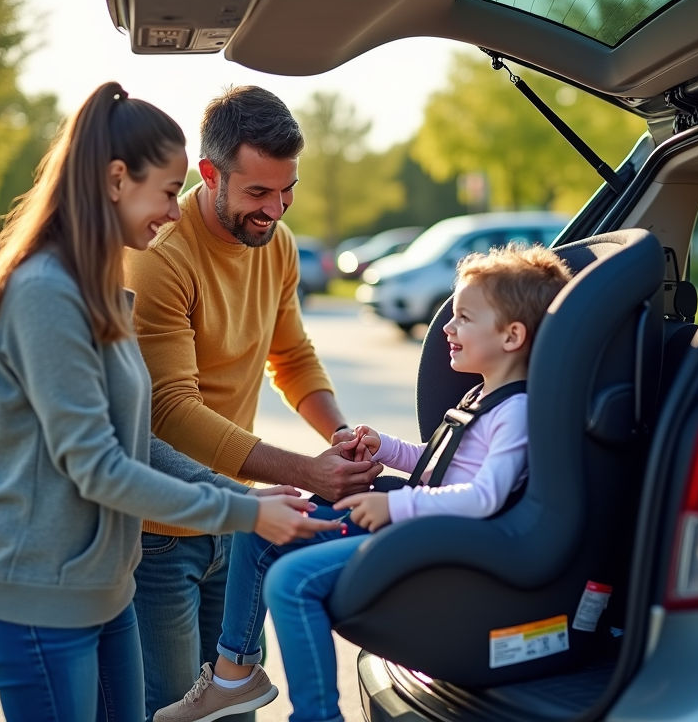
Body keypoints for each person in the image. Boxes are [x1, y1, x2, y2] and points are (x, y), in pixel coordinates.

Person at [0, 82, 340, 722]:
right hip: (38, 595)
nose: (173, 212)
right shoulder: (50, 292)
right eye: (168, 192)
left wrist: (246, 499)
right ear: (114, 180)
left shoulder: (99, 286)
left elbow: (139, 439)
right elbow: (103, 464)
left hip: (97, 588)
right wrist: (243, 506)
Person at [154, 244, 574, 722]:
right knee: (260, 526)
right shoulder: (482, 395)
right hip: (417, 524)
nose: (447, 329)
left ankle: (317, 716)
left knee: (292, 581)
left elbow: (484, 498)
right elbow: (440, 466)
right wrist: (386, 448)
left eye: (463, 318)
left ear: (512, 335)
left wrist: (397, 509)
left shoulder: (515, 412)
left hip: (440, 545)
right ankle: (236, 675)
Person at [122, 85, 379, 719]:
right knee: (172, 709)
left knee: (235, 708)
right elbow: (171, 413)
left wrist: (341, 435)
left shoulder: (279, 246)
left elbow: (290, 358)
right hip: (164, 531)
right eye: (258, 193)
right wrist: (305, 472)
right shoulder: (162, 258)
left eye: (287, 189)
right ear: (210, 175)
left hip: (241, 522)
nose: (276, 209)